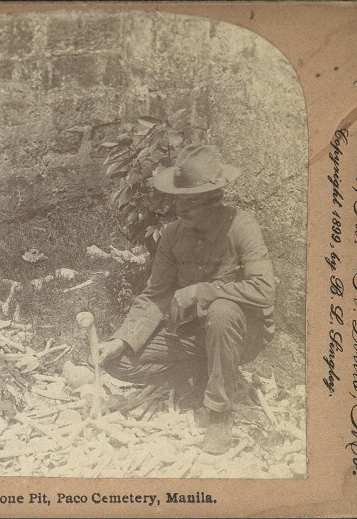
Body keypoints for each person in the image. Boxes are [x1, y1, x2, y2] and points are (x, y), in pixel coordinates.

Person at [94, 144, 275, 454]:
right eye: (179, 200)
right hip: (192, 335)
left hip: (239, 334)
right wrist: (121, 340)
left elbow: (263, 290)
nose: (181, 210)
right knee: (118, 362)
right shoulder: (173, 234)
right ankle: (199, 374)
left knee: (221, 311)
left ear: (215, 201)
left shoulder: (242, 227)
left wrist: (201, 291)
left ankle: (219, 413)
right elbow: (155, 296)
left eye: (191, 204)